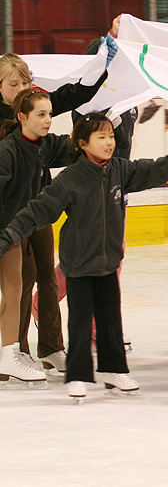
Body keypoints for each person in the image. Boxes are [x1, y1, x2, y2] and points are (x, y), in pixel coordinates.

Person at [0, 112, 168, 402]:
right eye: (101, 137)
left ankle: (114, 370)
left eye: (111, 136)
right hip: (78, 266)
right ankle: (77, 375)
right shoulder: (70, 179)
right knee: (78, 323)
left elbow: (152, 169)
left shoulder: (119, 170)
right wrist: (9, 235)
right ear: (82, 143)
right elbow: (38, 210)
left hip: (107, 262)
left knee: (111, 320)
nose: (109, 142)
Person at [0, 51, 111, 376]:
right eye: (12, 83)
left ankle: (50, 348)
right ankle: (15, 349)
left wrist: (103, 63)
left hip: (38, 207)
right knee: (20, 280)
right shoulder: (15, 130)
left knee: (47, 277)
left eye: (25, 82)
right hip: (10, 215)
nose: (20, 87)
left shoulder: (35, 111)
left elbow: (69, 96)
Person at [0, 89, 72, 385]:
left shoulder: (44, 145)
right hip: (9, 228)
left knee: (30, 283)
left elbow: (77, 147)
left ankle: (27, 352)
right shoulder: (7, 151)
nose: (48, 120)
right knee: (15, 289)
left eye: (50, 114)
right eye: (41, 115)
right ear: (21, 117)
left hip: (29, 222)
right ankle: (11, 353)